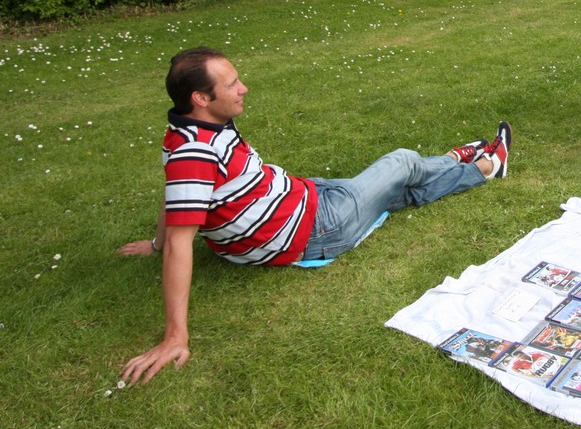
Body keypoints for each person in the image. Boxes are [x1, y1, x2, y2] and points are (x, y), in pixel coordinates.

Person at [118, 47, 511, 386]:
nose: (243, 89)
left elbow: (175, 197)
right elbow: (181, 240)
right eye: (232, 84)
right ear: (201, 98)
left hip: (298, 197)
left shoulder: (193, 126)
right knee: (402, 162)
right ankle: (476, 165)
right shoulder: (194, 153)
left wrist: (154, 243)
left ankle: (468, 164)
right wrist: (175, 336)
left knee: (395, 188)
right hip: (316, 228)